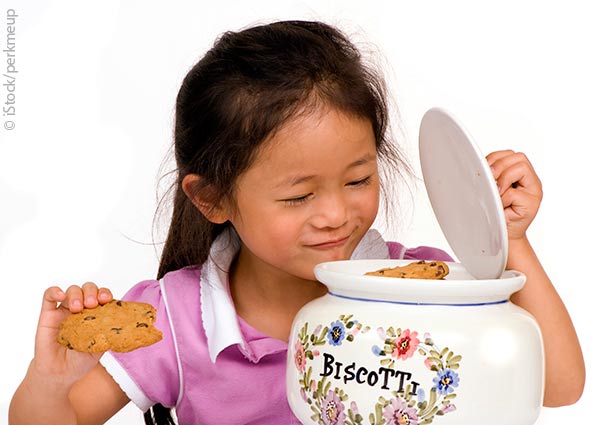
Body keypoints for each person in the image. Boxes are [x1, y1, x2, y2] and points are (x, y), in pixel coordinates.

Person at [9, 20, 585, 425]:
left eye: (358, 180)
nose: (336, 214)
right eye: (297, 196)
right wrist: (51, 380)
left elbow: (557, 388)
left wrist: (510, 243)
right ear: (212, 199)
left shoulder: (423, 289)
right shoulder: (175, 322)